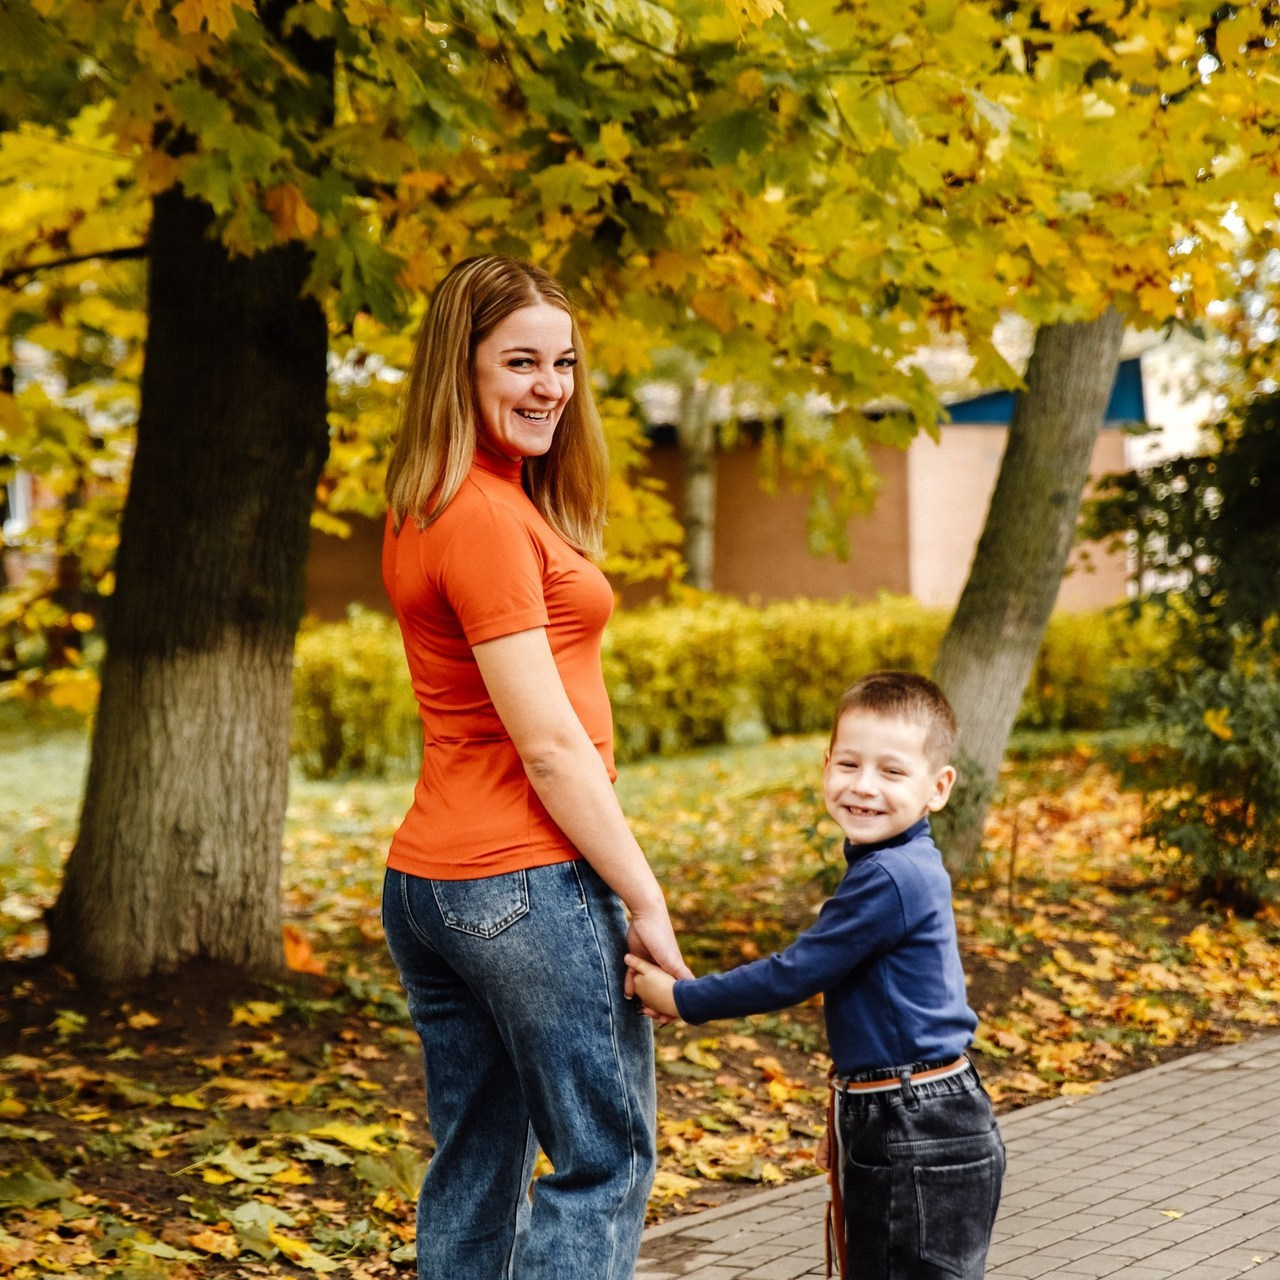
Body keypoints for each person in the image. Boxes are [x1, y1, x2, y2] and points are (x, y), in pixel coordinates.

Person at [380, 254, 690, 1280]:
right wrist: (642, 896)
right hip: (523, 879)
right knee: (604, 1155)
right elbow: (550, 747)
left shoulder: (427, 500)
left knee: (479, 1155)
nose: (550, 384)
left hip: (431, 883)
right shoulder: (480, 517)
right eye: (520, 360)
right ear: (457, 368)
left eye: (562, 361)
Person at [627, 671, 1005, 1280]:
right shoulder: (896, 864)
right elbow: (884, 1015)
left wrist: (680, 996)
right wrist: (850, 1112)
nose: (863, 787)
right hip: (913, 1113)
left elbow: (793, 974)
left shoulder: (889, 877)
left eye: (892, 772)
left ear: (939, 788)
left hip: (915, 1121)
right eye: (849, 764)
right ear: (826, 763)